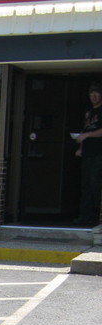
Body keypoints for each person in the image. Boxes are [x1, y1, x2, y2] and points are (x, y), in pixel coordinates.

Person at [75, 83, 102, 226]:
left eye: (97, 94)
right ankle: (84, 218)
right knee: (85, 186)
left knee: (95, 183)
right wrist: (81, 146)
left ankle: (97, 216)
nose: (94, 97)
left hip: (99, 153)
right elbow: (84, 131)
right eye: (92, 95)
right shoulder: (88, 112)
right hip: (87, 153)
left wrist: (87, 135)